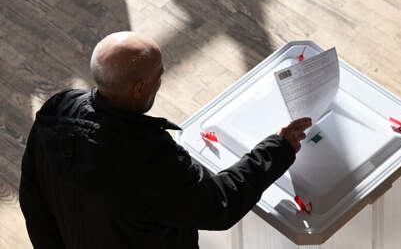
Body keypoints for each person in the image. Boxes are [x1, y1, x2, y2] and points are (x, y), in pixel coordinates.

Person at [19, 31, 312, 249]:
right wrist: (279, 147)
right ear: (138, 89)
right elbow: (218, 205)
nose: (160, 80)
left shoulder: (57, 111)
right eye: (159, 75)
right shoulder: (148, 158)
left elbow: (33, 199)